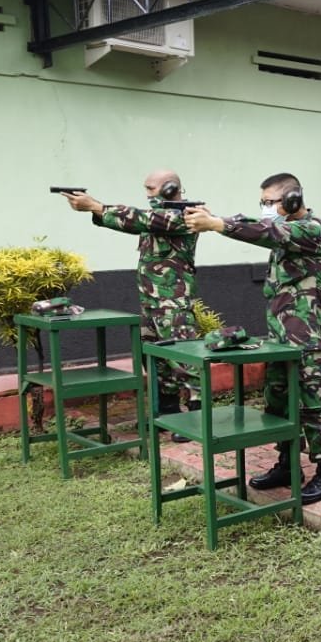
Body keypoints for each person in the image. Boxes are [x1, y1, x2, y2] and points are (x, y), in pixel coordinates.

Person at [182, 173, 321, 504]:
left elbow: (269, 230)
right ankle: (287, 464)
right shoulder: (284, 232)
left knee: (314, 405)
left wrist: (216, 224)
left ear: (294, 201)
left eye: (270, 202)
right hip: (280, 338)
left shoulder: (313, 230)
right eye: (263, 203)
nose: (266, 209)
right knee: (278, 402)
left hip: (308, 337)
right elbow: (256, 225)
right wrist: (211, 217)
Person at [61, 170, 201, 443]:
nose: (147, 194)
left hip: (174, 304)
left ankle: (196, 417)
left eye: (151, 189)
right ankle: (169, 413)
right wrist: (96, 212)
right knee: (154, 359)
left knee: (186, 361)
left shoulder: (187, 215)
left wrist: (97, 206)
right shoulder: (158, 216)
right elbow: (138, 222)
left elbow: (141, 219)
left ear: (171, 188)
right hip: (151, 303)